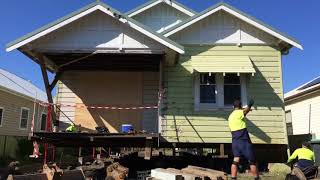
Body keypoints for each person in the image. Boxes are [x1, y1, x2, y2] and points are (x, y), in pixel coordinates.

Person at [228, 99, 259, 180]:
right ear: (240, 106)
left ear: (233, 107)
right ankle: (256, 178)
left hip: (235, 141)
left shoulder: (230, 116)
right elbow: (245, 111)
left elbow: (241, 111)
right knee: (252, 161)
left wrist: (246, 108)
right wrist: (249, 105)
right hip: (244, 140)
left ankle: (233, 178)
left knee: (235, 160)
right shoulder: (240, 113)